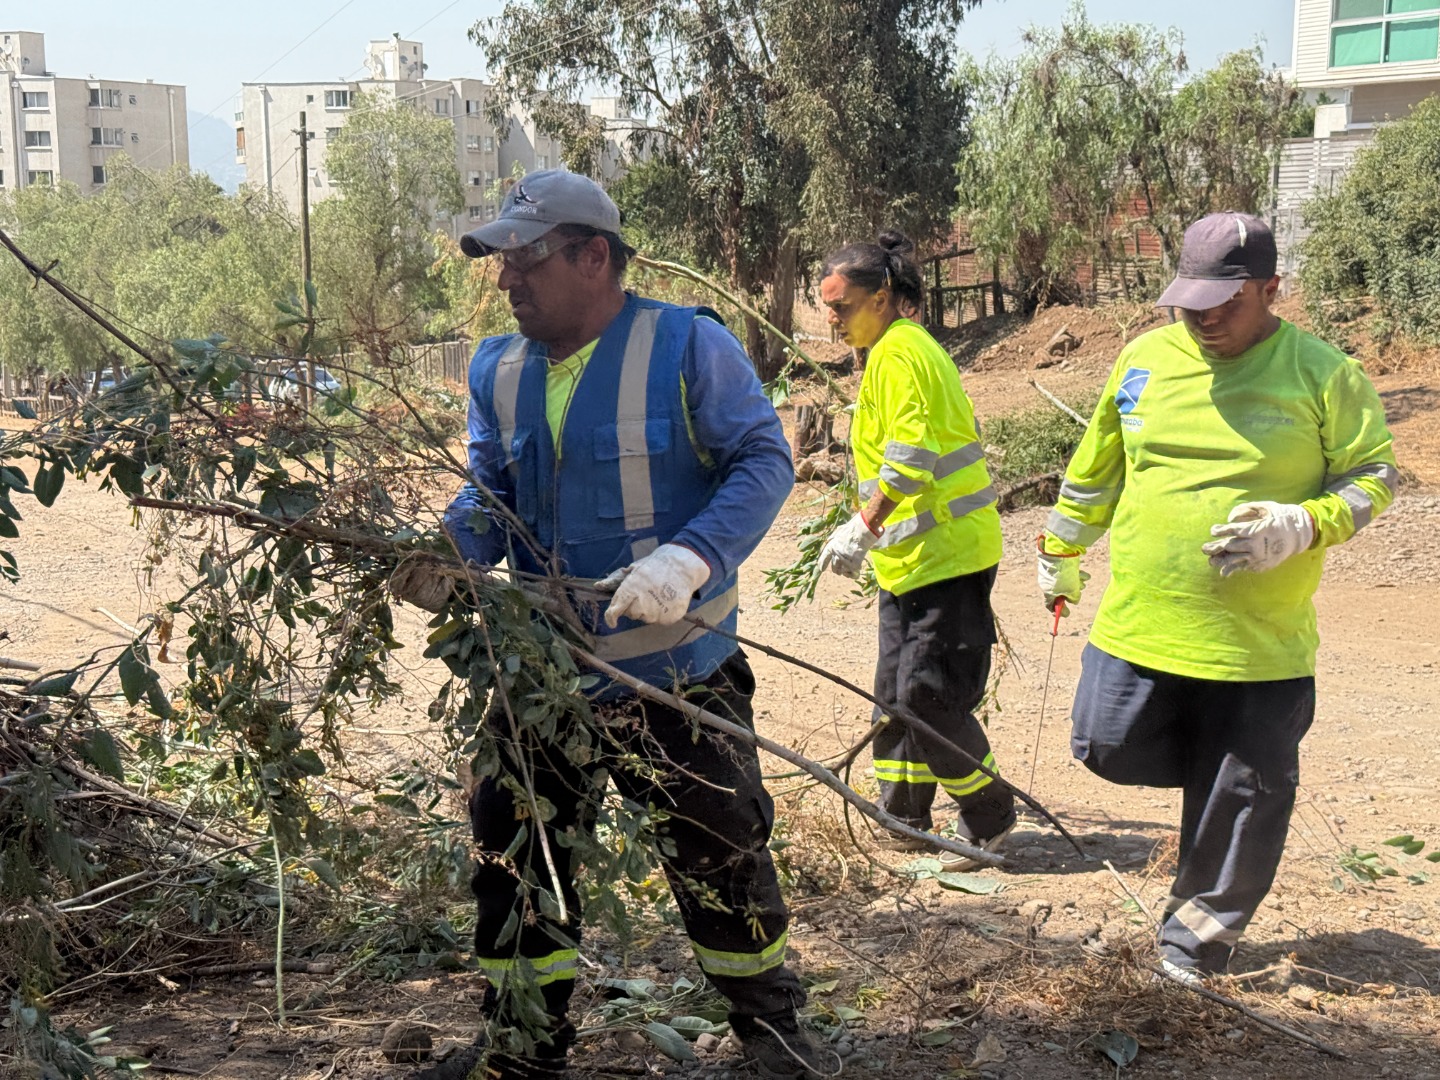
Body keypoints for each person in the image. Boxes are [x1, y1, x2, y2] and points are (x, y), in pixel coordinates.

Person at [392, 171, 826, 1079]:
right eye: (502, 261)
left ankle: (775, 1039)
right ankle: (521, 1047)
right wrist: (449, 551)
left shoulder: (686, 345)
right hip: (542, 678)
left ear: (595, 256)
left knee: (720, 852)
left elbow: (762, 459)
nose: (507, 279)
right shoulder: (497, 368)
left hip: (677, 676)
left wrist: (690, 559)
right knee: (512, 847)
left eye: (526, 259)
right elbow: (490, 493)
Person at [1038, 211, 1398, 983]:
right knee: (1103, 744)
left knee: (1243, 794)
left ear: (1271, 289)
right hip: (1141, 624)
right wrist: (1060, 550)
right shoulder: (1143, 358)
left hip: (1257, 645)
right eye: (1189, 302)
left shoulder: (1323, 373)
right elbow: (1097, 467)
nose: (1203, 319)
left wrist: (1305, 523)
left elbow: (1375, 476)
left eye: (1225, 303)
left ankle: (1194, 944)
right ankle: (1220, 781)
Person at [816, 231, 1015, 868]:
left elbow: (910, 457)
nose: (831, 319)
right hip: (910, 562)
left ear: (881, 298)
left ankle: (989, 819)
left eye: (841, 306)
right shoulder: (887, 354)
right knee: (894, 693)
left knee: (927, 695)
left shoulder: (902, 352)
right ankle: (903, 816)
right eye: (827, 307)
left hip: (947, 558)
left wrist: (863, 526)